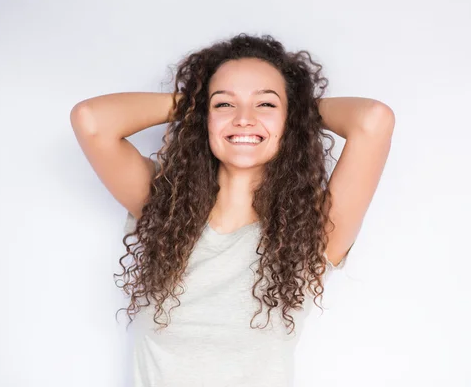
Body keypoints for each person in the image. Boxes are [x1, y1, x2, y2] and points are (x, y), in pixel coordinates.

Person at [70, 33, 395, 387]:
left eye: (266, 105)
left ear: (291, 122)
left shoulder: (312, 234)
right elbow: (91, 120)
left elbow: (373, 120)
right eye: (224, 105)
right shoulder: (165, 207)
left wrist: (296, 109)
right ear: (203, 118)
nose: (243, 118)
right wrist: (197, 104)